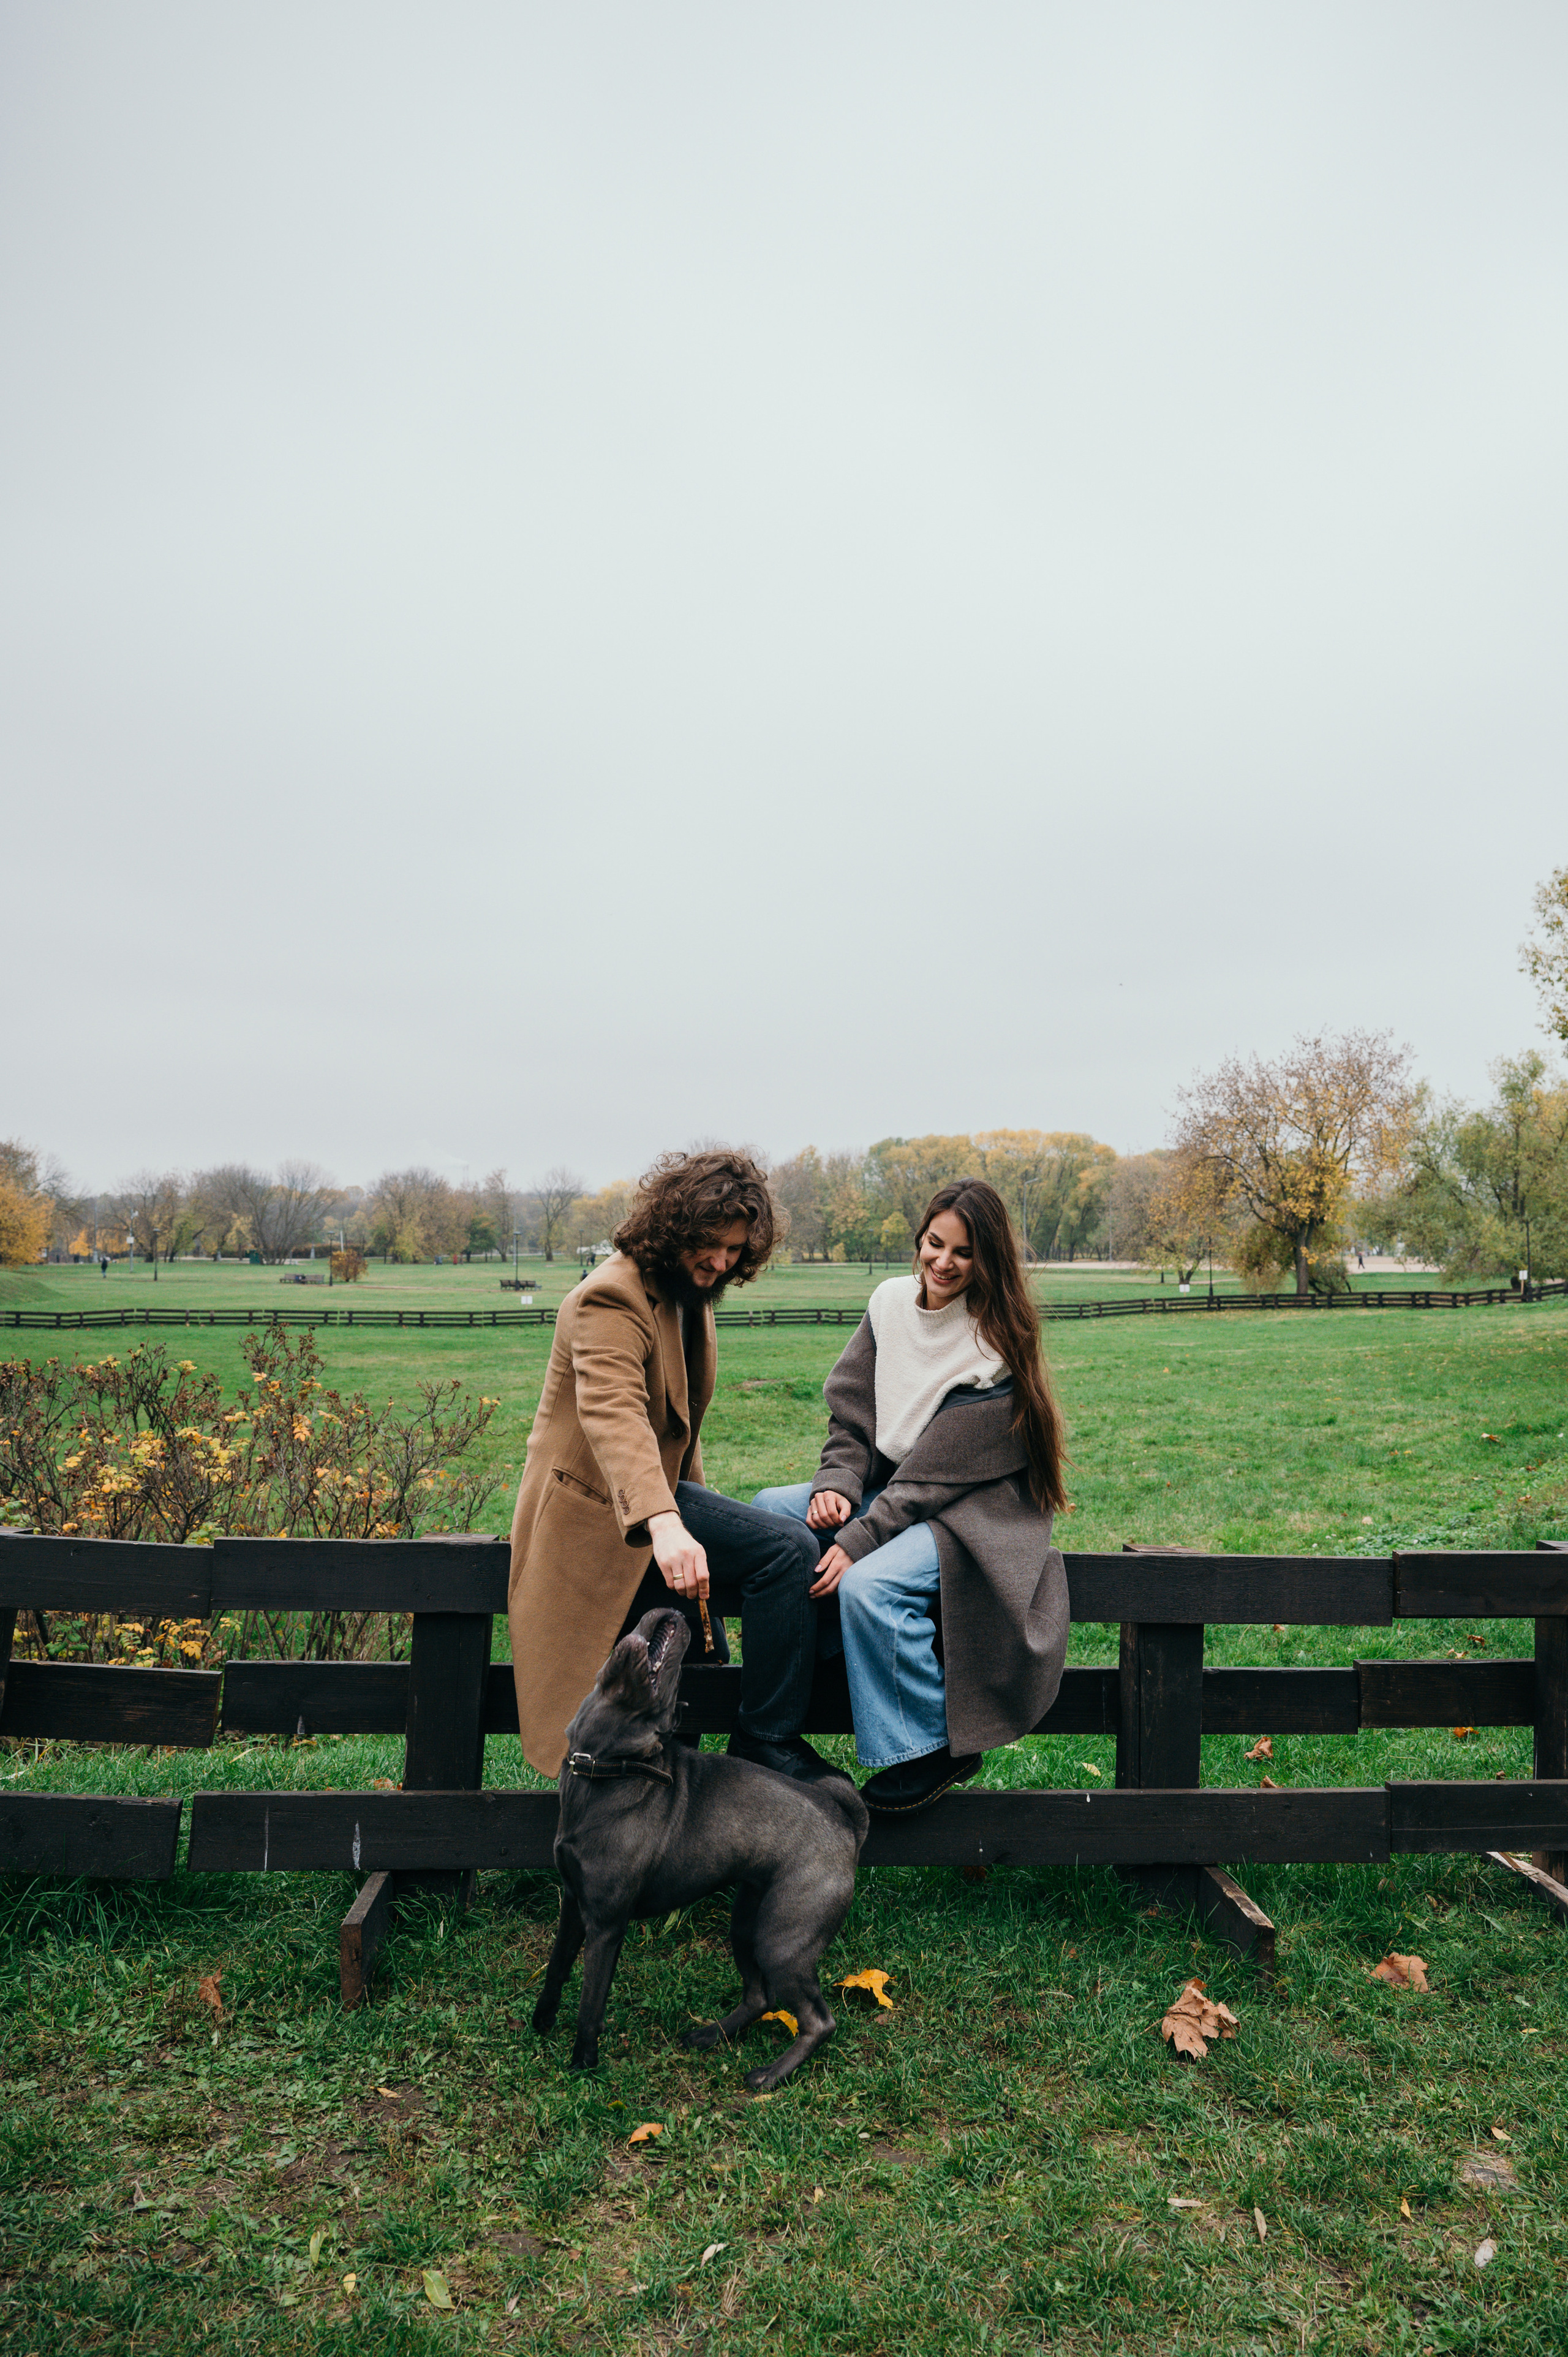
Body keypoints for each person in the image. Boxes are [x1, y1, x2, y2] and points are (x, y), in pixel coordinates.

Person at [507, 1149, 831, 1784]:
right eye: (710, 1245)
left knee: (700, 1666)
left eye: (736, 1250)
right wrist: (668, 1523)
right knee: (788, 1550)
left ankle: (676, 1831)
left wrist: (696, 1517)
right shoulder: (609, 1297)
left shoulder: (687, 1296)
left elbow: (678, 1430)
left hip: (655, 1507)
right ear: (674, 1228)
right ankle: (765, 1747)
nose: (721, 1262)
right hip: (599, 1524)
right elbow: (614, 1415)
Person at [753, 1178, 1069, 1812]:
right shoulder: (889, 1302)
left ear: (989, 1260)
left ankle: (932, 1749)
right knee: (770, 1511)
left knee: (870, 1586)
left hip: (974, 1511)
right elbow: (852, 1413)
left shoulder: (995, 1342)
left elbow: (935, 1477)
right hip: (892, 1488)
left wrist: (857, 1539)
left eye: (964, 1251)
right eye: (935, 1243)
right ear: (919, 1238)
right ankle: (795, 1686)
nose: (944, 1262)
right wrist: (837, 1487)